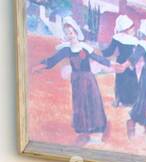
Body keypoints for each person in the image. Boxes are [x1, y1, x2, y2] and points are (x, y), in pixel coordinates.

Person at [41, 17, 113, 145]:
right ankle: (84, 133)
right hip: (77, 81)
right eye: (67, 33)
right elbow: (52, 60)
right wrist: (39, 66)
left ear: (76, 31)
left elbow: (97, 58)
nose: (70, 35)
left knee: (93, 102)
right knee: (80, 104)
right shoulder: (66, 49)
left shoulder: (85, 47)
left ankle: (98, 131)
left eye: (71, 32)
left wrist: (111, 64)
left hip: (89, 79)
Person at [101, 14, 140, 108]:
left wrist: (102, 52)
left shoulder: (121, 38)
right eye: (132, 28)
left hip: (126, 61)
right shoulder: (122, 38)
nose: (134, 30)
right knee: (124, 80)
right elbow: (109, 52)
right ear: (127, 29)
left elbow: (108, 52)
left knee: (126, 80)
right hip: (128, 62)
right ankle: (124, 100)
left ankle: (128, 100)